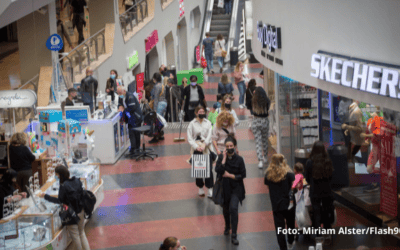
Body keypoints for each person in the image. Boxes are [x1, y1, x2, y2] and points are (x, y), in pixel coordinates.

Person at [38, 165, 90, 250]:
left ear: (59, 175)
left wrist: (45, 196)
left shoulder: (63, 186)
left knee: (75, 237)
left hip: (71, 214)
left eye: (56, 174)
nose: (56, 176)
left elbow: (59, 201)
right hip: (81, 210)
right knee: (81, 233)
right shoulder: (76, 180)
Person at [215, 135, 246, 246]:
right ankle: (227, 226)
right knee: (226, 209)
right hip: (225, 188)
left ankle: (234, 235)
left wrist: (230, 175)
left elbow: (243, 175)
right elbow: (218, 170)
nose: (229, 148)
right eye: (227, 146)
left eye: (231, 145)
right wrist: (223, 158)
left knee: (233, 208)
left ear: (234, 146)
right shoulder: (221, 158)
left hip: (236, 188)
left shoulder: (239, 159)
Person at [305, 141, 334, 246]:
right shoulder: (327, 161)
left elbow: (307, 178)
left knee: (316, 214)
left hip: (315, 192)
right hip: (327, 191)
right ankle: (328, 235)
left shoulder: (310, 162)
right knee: (326, 212)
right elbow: (331, 177)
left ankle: (318, 237)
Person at [264, 154, 296, 250]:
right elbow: (294, 187)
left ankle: (283, 248)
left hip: (276, 205)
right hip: (289, 204)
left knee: (279, 229)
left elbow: (268, 187)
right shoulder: (289, 174)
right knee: (290, 225)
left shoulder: (268, 175)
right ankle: (290, 241)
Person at [187, 106, 214, 197]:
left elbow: (210, 135)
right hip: (197, 148)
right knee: (198, 170)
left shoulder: (208, 123)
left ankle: (210, 188)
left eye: (203, 111)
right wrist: (196, 146)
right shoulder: (192, 124)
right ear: (196, 113)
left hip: (206, 148)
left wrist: (204, 144)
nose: (202, 113)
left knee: (209, 169)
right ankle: (200, 188)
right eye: (200, 111)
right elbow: (190, 138)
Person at [117, 86, 143, 154]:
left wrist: (124, 109)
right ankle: (134, 148)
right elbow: (120, 103)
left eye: (120, 93)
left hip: (136, 117)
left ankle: (135, 149)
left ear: (124, 91)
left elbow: (132, 107)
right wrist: (120, 106)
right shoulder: (121, 97)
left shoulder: (130, 96)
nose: (119, 95)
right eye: (118, 93)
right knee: (131, 133)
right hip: (131, 117)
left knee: (135, 133)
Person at [251, 87, 271, 168]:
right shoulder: (267, 101)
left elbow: (252, 111)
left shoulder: (253, 101)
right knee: (265, 140)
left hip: (256, 121)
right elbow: (268, 109)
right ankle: (265, 157)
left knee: (258, 142)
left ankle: (260, 161)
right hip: (265, 121)